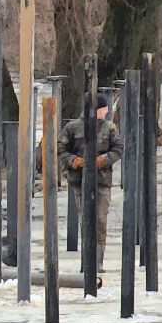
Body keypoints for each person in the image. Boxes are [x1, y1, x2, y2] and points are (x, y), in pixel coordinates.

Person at [57, 92, 123, 271]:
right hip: (79, 181)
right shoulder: (72, 128)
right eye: (104, 109)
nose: (107, 111)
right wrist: (73, 161)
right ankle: (86, 262)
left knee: (100, 220)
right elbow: (60, 148)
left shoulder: (110, 128)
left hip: (102, 182)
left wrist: (103, 160)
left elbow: (118, 149)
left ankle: (98, 262)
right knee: (85, 220)